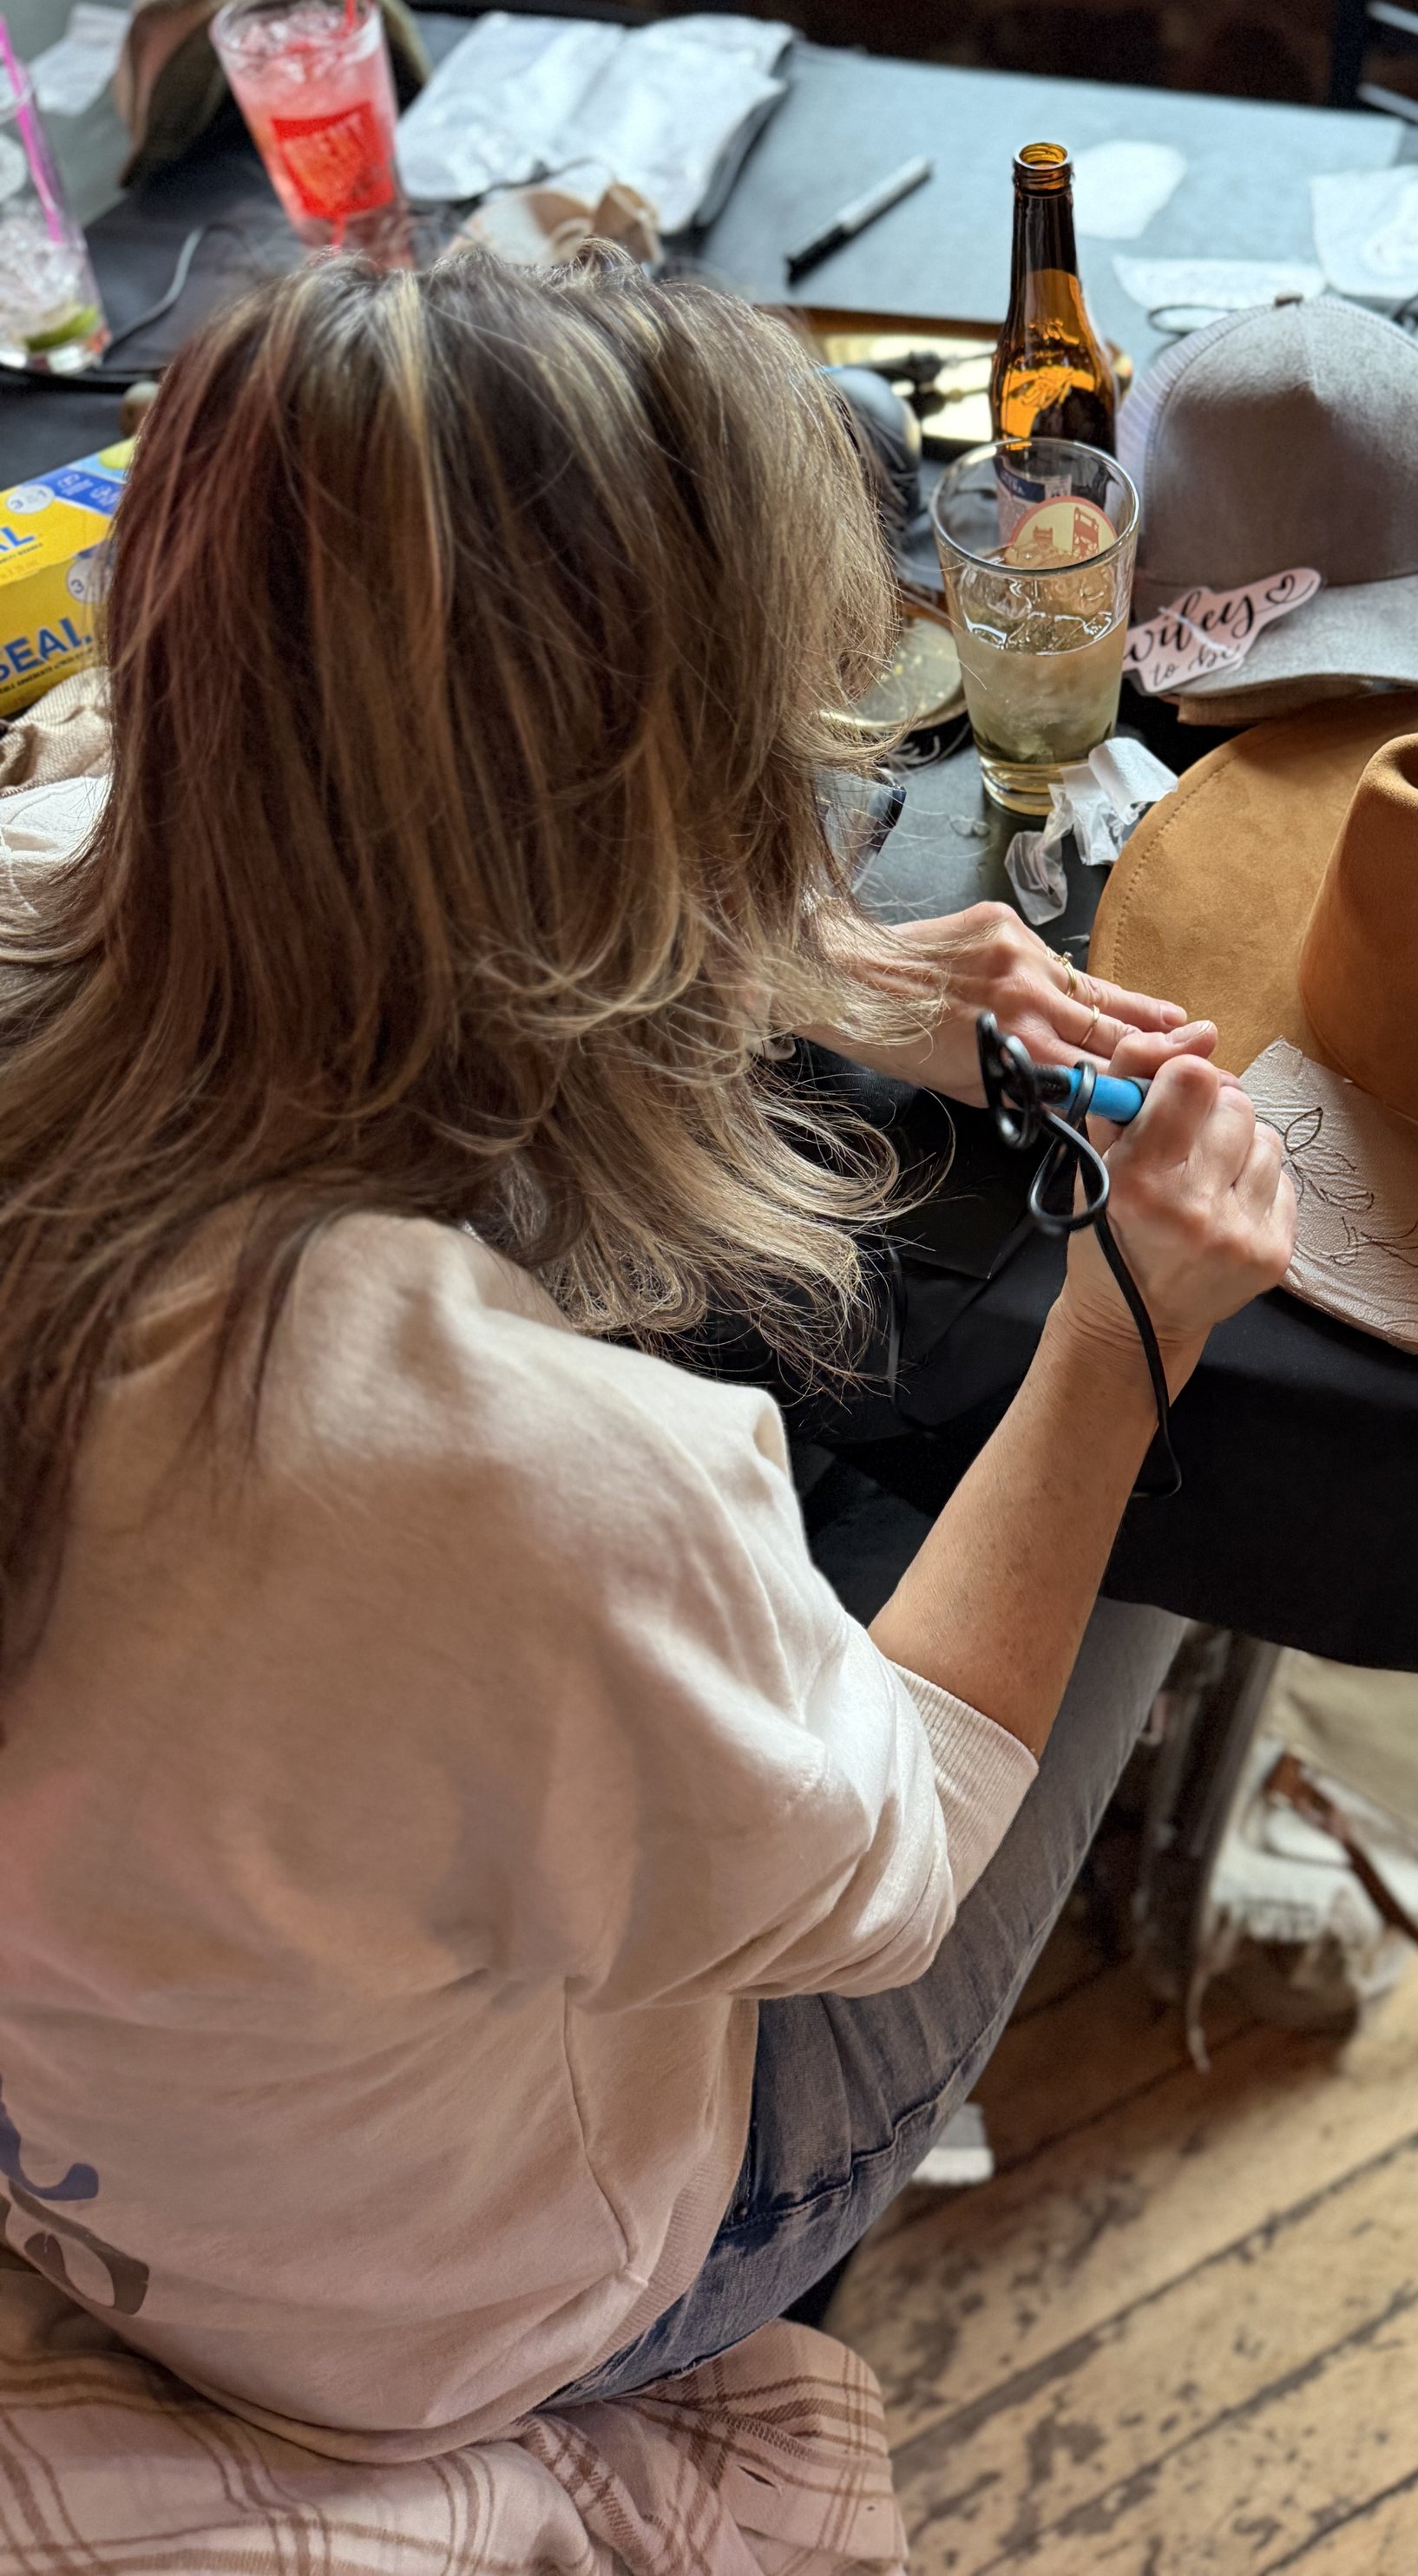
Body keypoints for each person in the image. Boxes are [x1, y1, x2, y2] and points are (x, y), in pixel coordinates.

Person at [0, 246, 1294, 2456]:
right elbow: (892, 1867)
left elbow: (255, 844)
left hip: (122, 2108)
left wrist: (791, 959)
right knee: (1206, 1504)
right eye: (785, 781)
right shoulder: (516, 1471)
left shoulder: (51, 871)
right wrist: (1127, 1333)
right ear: (657, 827)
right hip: (453, 2284)